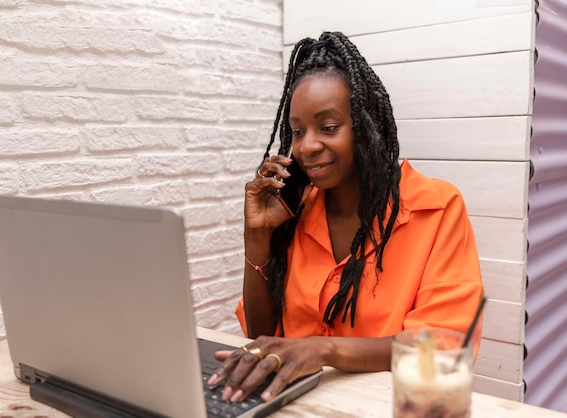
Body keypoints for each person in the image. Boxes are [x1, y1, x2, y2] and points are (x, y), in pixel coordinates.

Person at [207, 31, 484, 404]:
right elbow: (263, 333)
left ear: (366, 126)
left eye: (328, 127)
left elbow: (442, 346)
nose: (307, 146)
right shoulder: (298, 210)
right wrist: (256, 236)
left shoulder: (436, 208)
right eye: (298, 131)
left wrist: (323, 350)